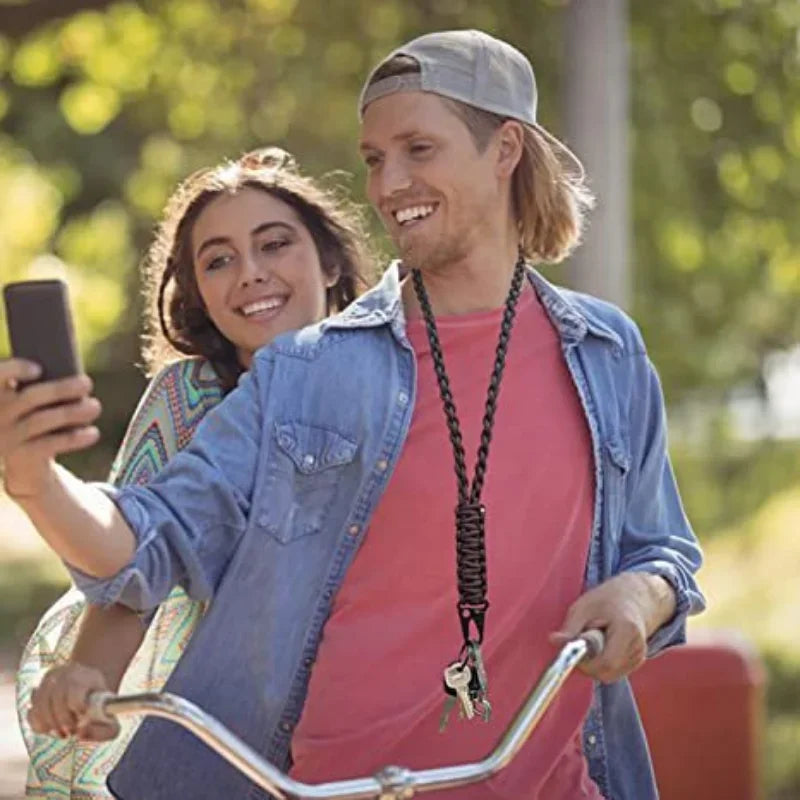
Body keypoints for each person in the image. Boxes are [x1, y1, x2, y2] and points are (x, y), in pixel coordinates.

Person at [1, 30, 705, 800]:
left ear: (505, 150)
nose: (388, 183)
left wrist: (644, 595)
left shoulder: (608, 353)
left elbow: (659, 547)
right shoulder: (305, 369)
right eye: (374, 158)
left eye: (417, 149)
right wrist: (36, 483)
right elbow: (152, 537)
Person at [9, 146, 371, 799]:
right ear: (198, 291)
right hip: (230, 724)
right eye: (219, 260)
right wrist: (90, 672)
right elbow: (138, 563)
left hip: (382, 721)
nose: (250, 274)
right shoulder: (188, 397)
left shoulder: (394, 378)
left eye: (275, 244)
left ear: (331, 259)